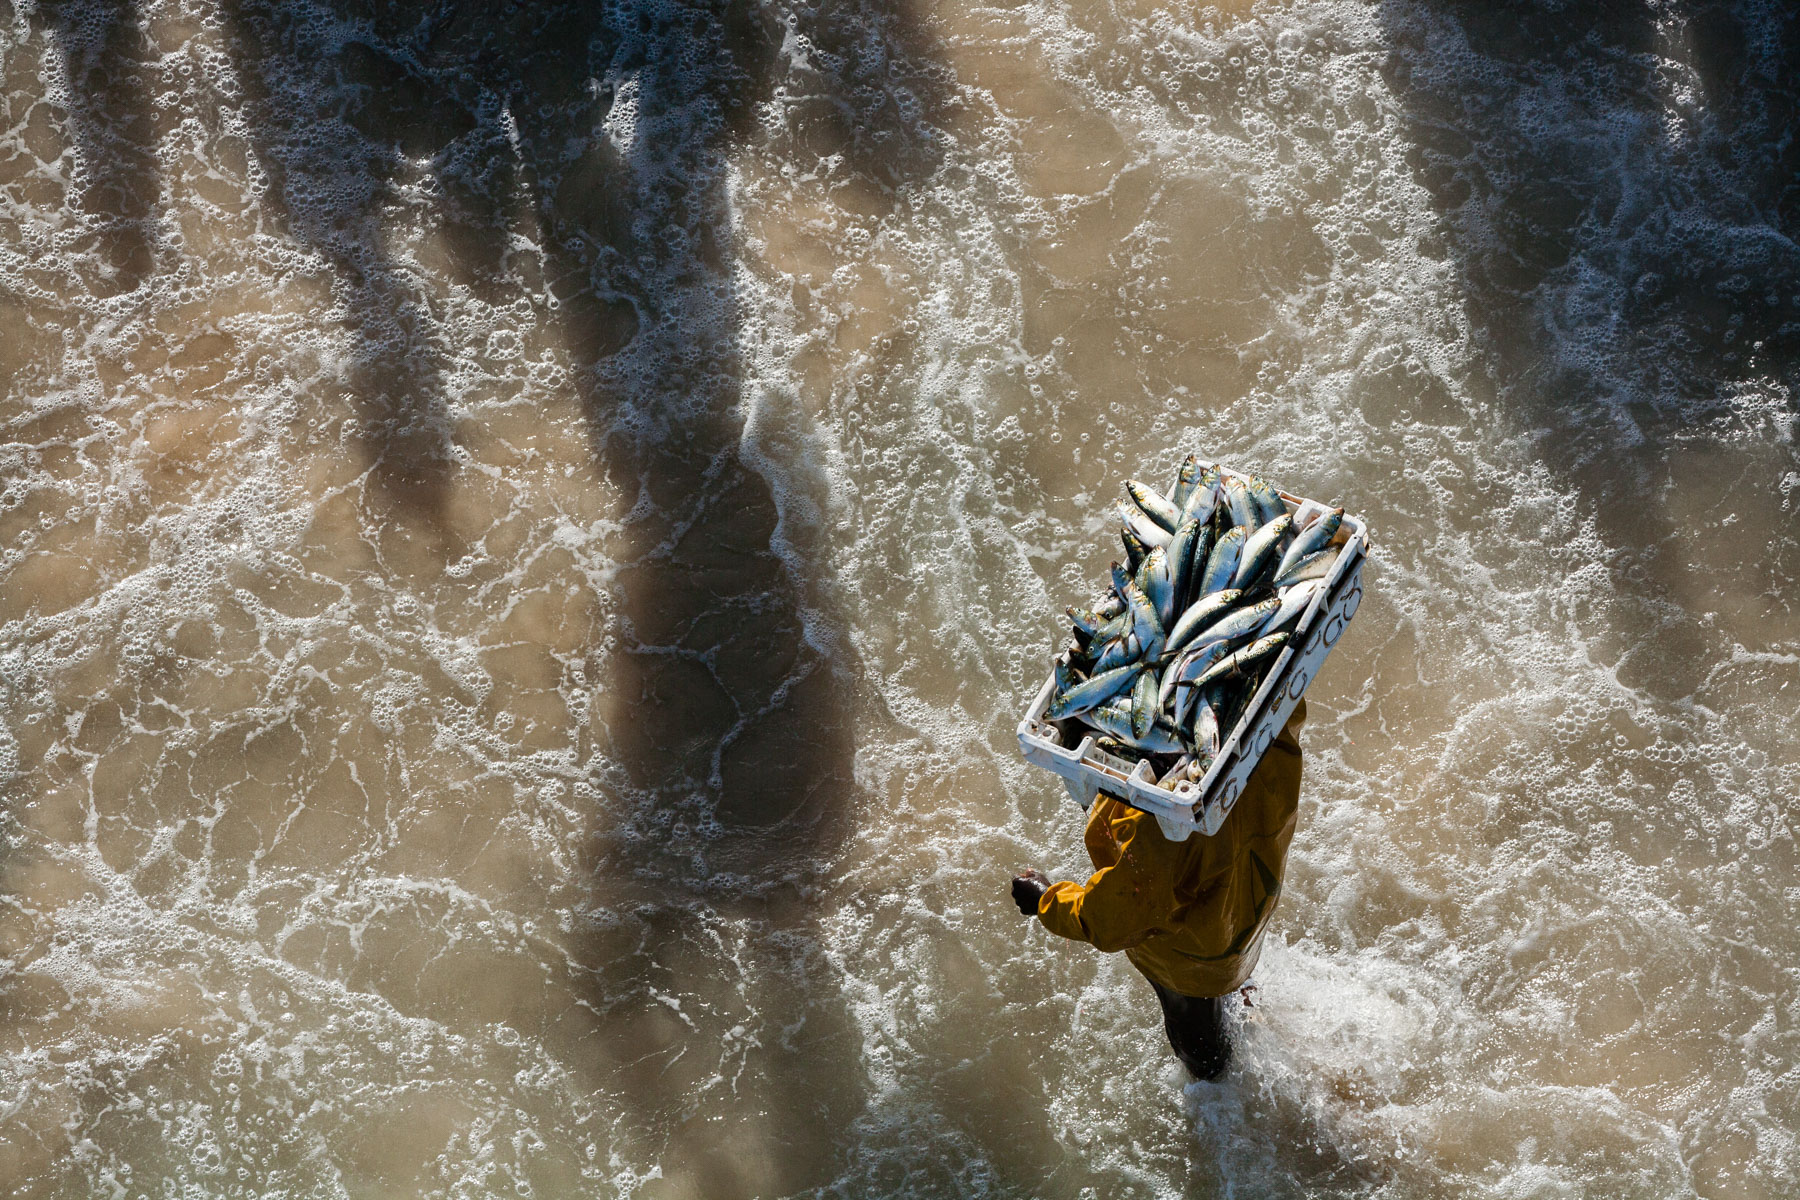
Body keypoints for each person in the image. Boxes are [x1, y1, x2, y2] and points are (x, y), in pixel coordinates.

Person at [1010, 701, 1306, 1080]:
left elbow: (1113, 918)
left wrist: (1044, 899)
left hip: (1192, 957)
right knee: (1229, 955)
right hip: (1250, 889)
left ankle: (1217, 1091)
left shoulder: (1163, 833)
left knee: (1198, 1037)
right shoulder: (1269, 725)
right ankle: (1238, 988)